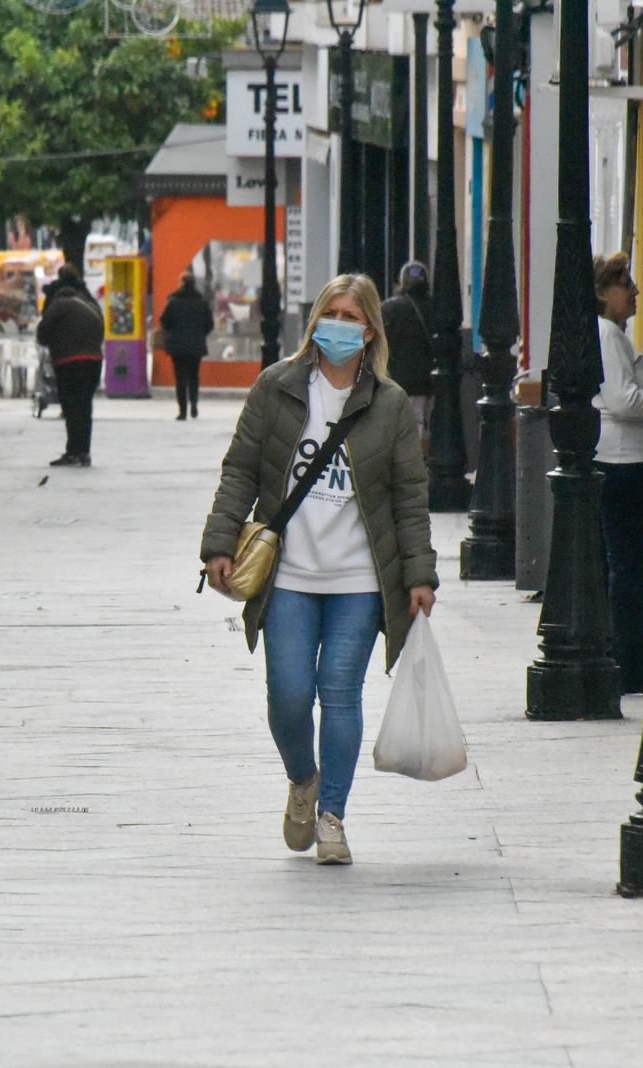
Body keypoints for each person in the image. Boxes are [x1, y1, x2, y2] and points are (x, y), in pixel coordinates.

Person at [200, 273, 438, 866]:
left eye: (351, 316)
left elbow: (410, 496)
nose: (339, 324)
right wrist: (218, 543)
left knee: (340, 693)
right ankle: (302, 778)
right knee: (287, 693)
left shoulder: (389, 405)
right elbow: (240, 470)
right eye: (330, 313)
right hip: (289, 576)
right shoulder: (276, 387)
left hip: (359, 579)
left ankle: (332, 816)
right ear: (315, 322)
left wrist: (420, 575)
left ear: (370, 330)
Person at [590, 252, 643, 696]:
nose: (633, 291)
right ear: (601, 293)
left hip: (622, 460)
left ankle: (629, 653)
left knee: (625, 565)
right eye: (624, 284)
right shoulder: (608, 335)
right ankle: (630, 659)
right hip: (623, 460)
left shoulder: (614, 336)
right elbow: (623, 400)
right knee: (629, 566)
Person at [35, 265, 104, 467]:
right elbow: (101, 328)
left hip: (68, 361)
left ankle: (72, 451)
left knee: (71, 406)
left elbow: (42, 332)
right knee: (85, 406)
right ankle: (84, 452)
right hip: (93, 359)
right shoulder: (90, 303)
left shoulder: (59, 304)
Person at [379, 261, 434, 445]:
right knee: (419, 420)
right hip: (425, 380)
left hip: (396, 378)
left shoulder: (389, 308)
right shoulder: (434, 307)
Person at [160, 271, 213, 421]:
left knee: (180, 378)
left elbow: (164, 321)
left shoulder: (173, 301)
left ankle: (182, 410)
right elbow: (209, 324)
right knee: (194, 376)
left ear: (182, 283)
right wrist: (199, 334)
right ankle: (194, 404)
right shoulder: (201, 302)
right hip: (196, 346)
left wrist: (172, 332)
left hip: (178, 347)